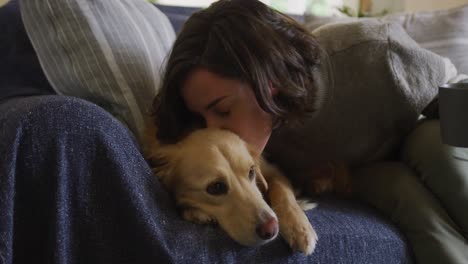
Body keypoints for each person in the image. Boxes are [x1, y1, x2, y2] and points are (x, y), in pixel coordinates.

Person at [152, 0, 468, 263]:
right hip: (363, 169)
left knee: (436, 152)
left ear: (270, 81)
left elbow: (451, 91)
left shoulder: (375, 54)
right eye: (200, 117)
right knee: (404, 196)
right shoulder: (232, 144)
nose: (212, 129)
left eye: (222, 110)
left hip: (423, 128)